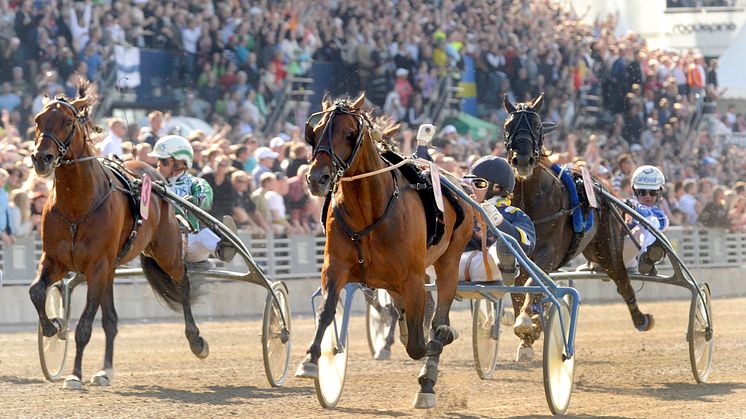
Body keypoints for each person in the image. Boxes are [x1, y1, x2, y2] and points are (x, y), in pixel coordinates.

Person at [148, 135, 237, 267]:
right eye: (158, 161)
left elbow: (206, 196)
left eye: (164, 162)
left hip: (189, 241)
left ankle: (223, 249)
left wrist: (196, 200)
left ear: (180, 163)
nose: (159, 166)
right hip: (160, 242)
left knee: (203, 234)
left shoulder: (195, 183)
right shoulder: (150, 183)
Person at [460, 156, 536, 284]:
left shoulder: (513, 214)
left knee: (500, 247)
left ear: (496, 188)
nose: (472, 188)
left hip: (490, 268)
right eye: (472, 183)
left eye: (479, 183)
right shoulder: (463, 210)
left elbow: (526, 245)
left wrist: (500, 223)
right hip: (457, 265)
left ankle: (507, 265)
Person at [623, 165, 670, 276]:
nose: (647, 196)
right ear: (635, 191)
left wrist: (633, 208)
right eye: (642, 192)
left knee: (651, 222)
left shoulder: (660, 216)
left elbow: (649, 217)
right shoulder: (625, 204)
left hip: (634, 253)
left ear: (659, 193)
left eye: (653, 192)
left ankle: (644, 259)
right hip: (619, 246)